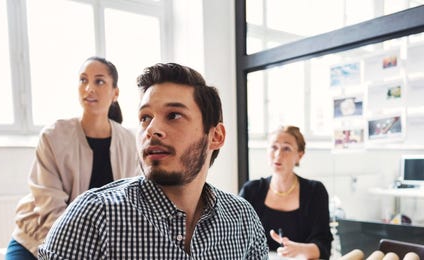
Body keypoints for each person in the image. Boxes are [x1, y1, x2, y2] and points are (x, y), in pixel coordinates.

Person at [38, 62, 269, 259]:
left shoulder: (243, 219)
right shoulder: (93, 217)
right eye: (145, 117)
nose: (152, 129)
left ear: (215, 136)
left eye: (174, 116)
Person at [5, 56, 140, 259]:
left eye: (99, 81)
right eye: (83, 80)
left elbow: (131, 207)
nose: (89, 88)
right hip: (38, 237)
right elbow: (50, 208)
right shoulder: (53, 135)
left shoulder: (130, 142)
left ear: (115, 93)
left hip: (99, 247)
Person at [239, 125, 333, 259]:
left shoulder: (315, 191)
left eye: (286, 148)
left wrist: (300, 249)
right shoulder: (251, 191)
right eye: (274, 147)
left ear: (299, 155)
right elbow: (236, 238)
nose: (278, 154)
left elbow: (324, 246)